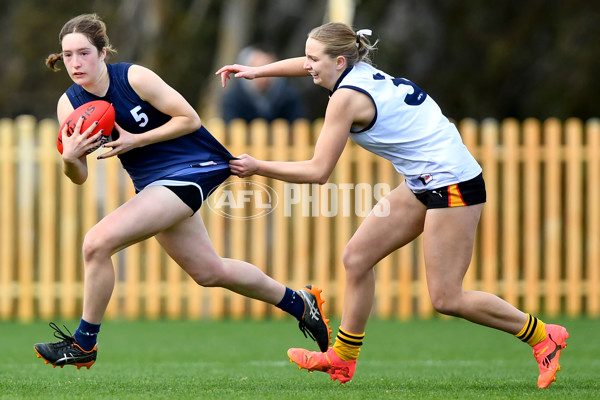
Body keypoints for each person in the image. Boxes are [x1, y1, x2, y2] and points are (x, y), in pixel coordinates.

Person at [216, 22, 569, 388]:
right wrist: (258, 70)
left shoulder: (345, 98)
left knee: (447, 297)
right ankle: (343, 358)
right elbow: (309, 63)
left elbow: (318, 171)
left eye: (312, 59)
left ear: (339, 61)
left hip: (452, 182)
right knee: (356, 257)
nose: (306, 66)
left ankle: (544, 336)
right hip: (424, 179)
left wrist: (257, 166)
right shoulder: (354, 68)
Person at [33, 13, 331, 370]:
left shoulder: (133, 77)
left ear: (102, 53)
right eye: (67, 55)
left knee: (96, 243)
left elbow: (189, 119)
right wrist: (68, 158)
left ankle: (84, 344)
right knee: (209, 272)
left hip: (191, 168)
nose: (75, 63)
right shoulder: (70, 104)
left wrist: (135, 139)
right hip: (153, 184)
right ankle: (300, 303)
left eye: (83, 53)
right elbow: (78, 175)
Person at [221, 46, 306, 123]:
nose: (263, 76)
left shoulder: (288, 95)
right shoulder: (234, 97)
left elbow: (298, 122)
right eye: (258, 67)